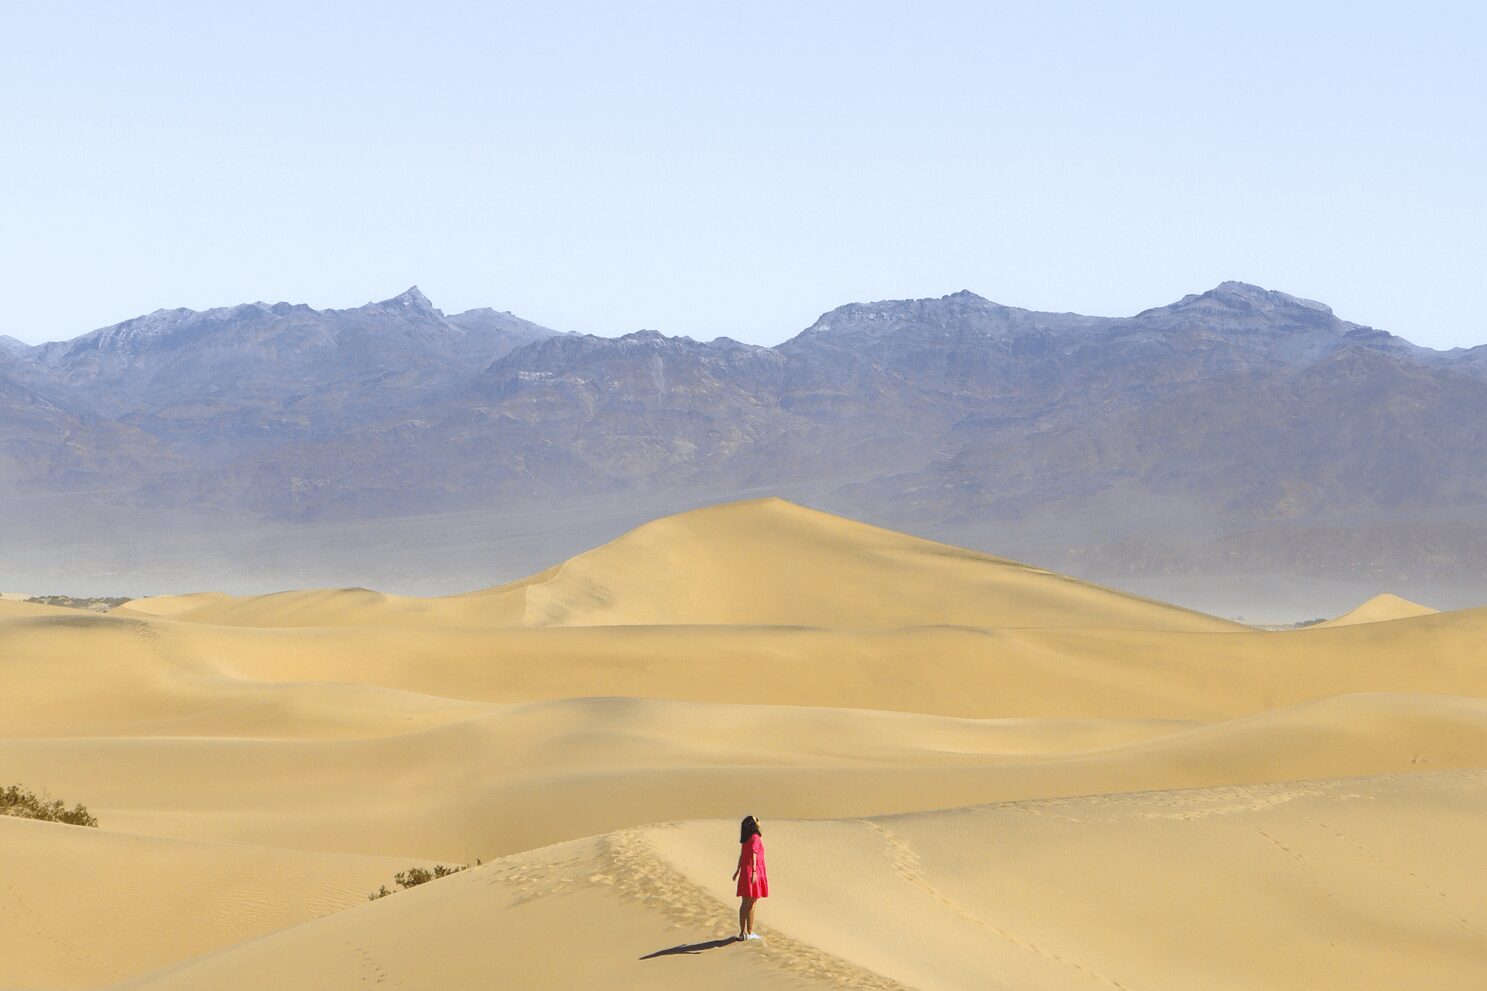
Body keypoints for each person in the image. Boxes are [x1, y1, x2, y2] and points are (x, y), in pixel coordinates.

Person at [732, 814, 768, 940]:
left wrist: (738, 870)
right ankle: (749, 932)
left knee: (745, 903)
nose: (759, 819)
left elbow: (742, 855)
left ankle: (743, 933)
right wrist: (754, 872)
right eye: (756, 819)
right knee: (751, 903)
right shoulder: (755, 837)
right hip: (754, 872)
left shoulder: (746, 838)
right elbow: (753, 854)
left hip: (745, 872)